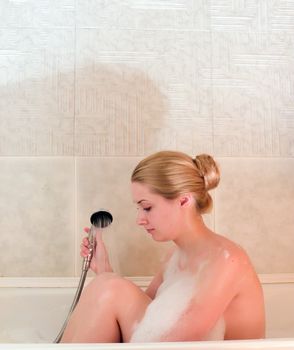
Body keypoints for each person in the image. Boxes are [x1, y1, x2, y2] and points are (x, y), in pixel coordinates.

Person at [61, 150, 265, 343]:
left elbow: (175, 342)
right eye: (138, 208)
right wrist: (104, 271)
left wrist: (109, 283)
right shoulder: (174, 259)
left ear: (184, 201)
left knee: (111, 287)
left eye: (147, 207)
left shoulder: (227, 260)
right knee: (107, 284)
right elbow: (142, 321)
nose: (139, 219)